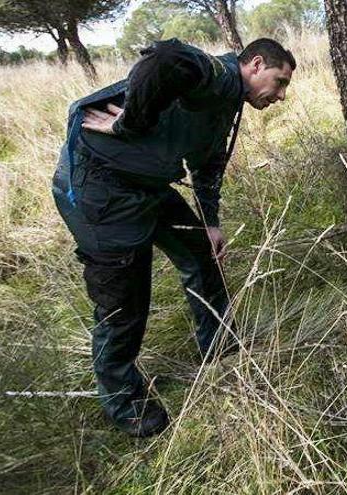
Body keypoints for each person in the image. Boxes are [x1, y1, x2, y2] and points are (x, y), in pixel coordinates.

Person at [51, 38, 295, 437]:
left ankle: (219, 347)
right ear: (254, 65)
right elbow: (167, 57)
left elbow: (209, 166)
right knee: (122, 304)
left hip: (148, 186)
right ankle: (126, 405)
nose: (281, 95)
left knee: (201, 253)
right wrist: (128, 124)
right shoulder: (217, 76)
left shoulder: (228, 103)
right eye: (279, 81)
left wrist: (210, 221)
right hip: (99, 188)